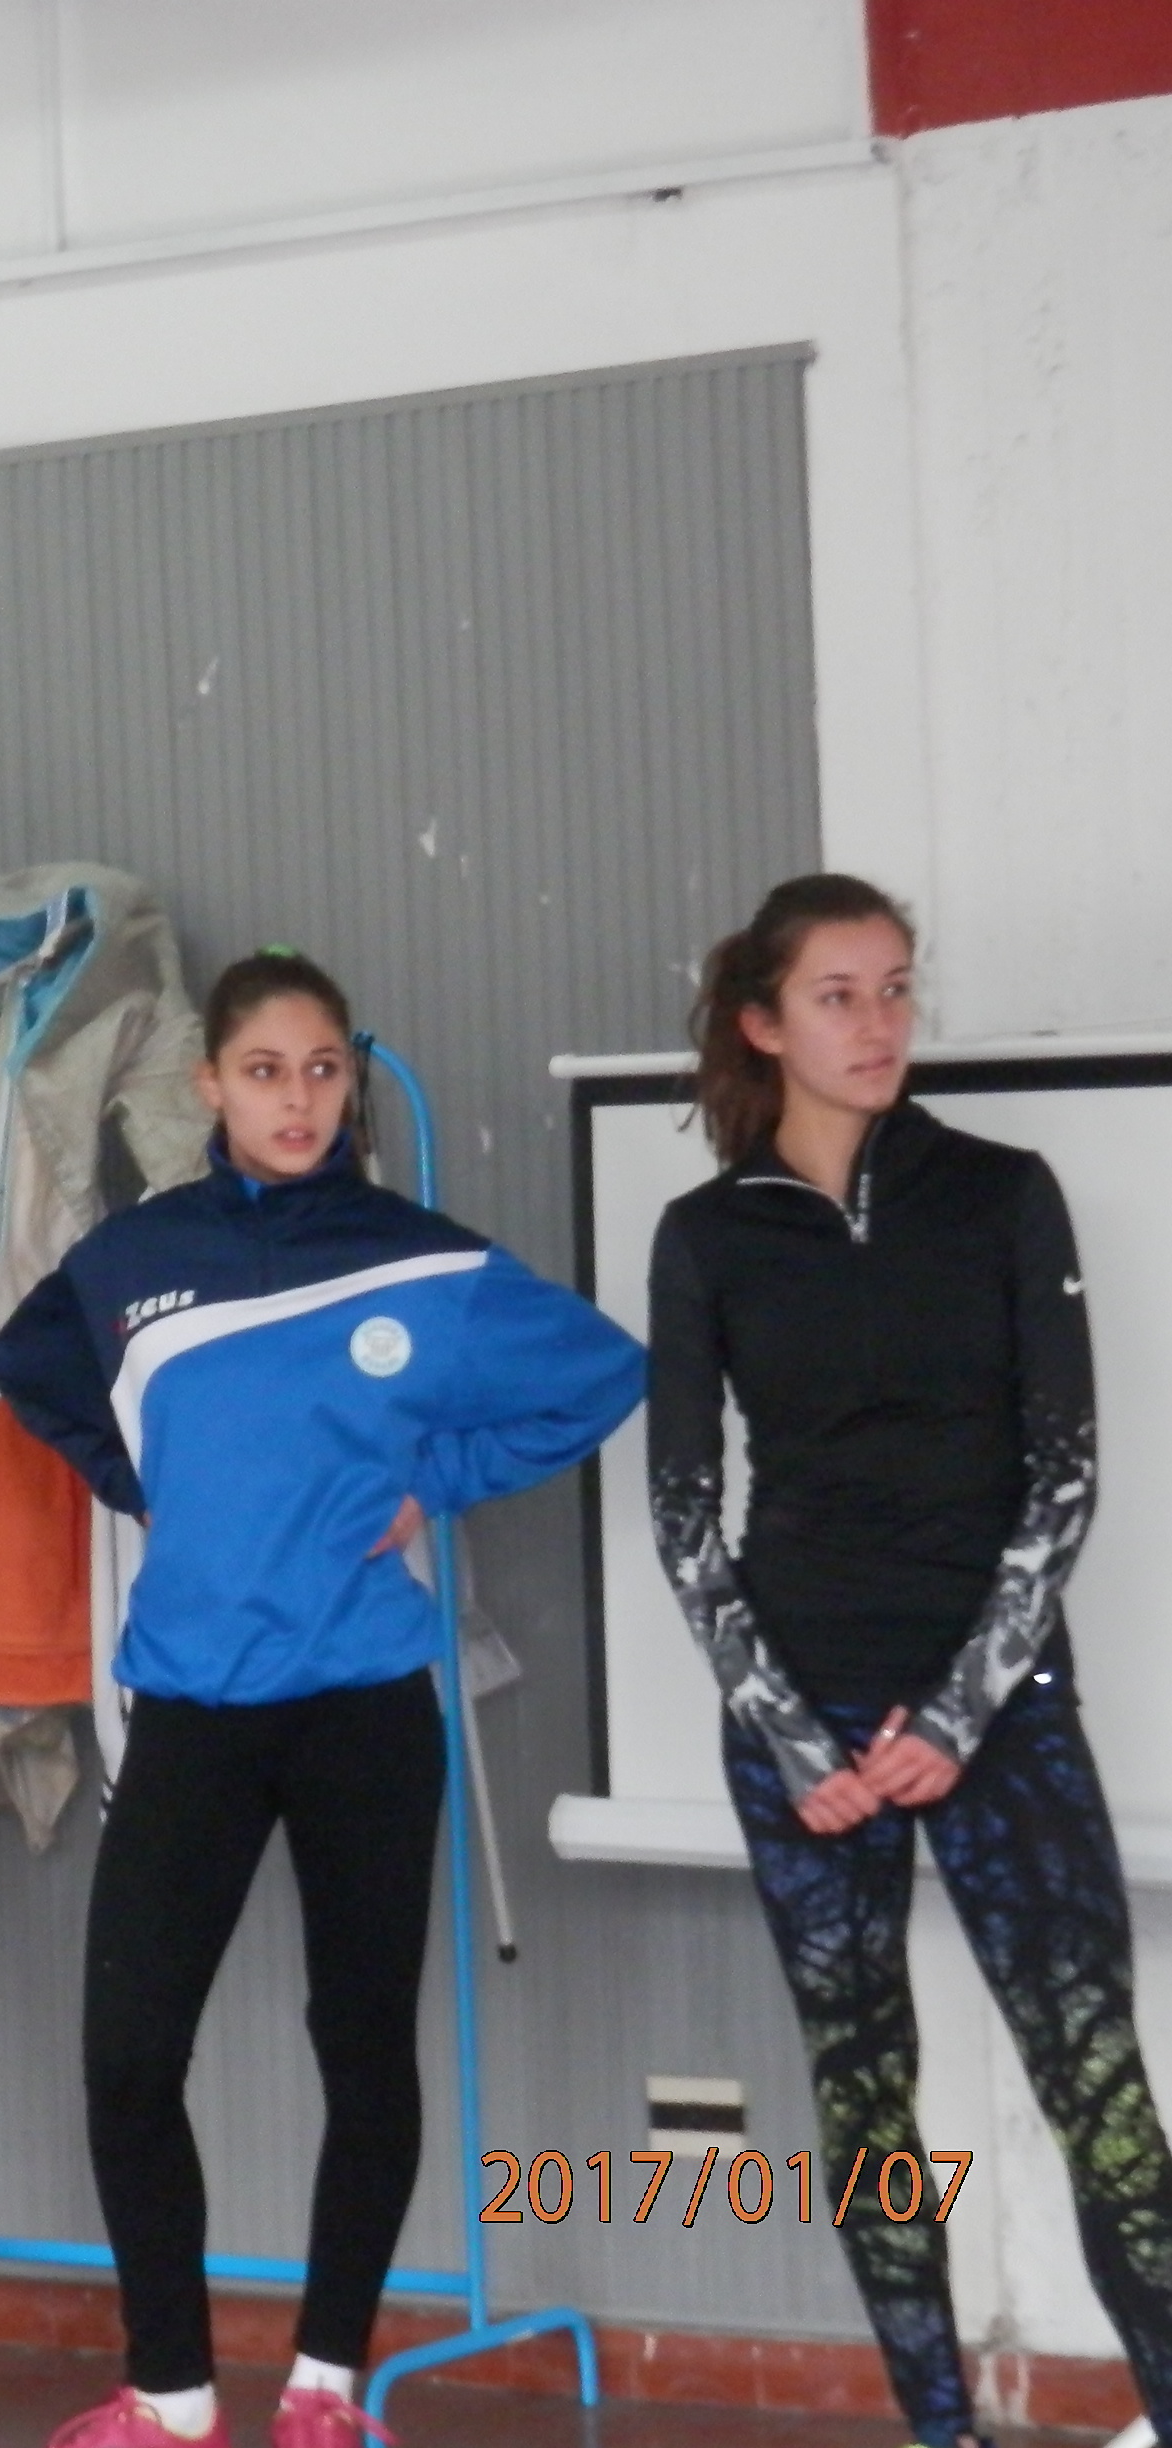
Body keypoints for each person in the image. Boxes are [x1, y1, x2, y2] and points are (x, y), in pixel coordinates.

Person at [0, 950, 640, 2448]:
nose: (299, 1100)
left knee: (363, 2048)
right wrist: (140, 1478)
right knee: (128, 2058)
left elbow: (603, 1373)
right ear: (210, 1086)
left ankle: (327, 2391)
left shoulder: (424, 1261)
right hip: (193, 1713)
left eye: (325, 1069)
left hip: (363, 1715)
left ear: (353, 1081)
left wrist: (440, 1479)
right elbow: (31, 1366)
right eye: (266, 1071)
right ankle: (170, 2396)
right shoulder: (136, 1259)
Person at [648, 875, 1172, 2448]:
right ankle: (942, 2434)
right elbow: (683, 1509)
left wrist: (956, 1712)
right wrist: (791, 1736)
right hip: (798, 1728)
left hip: (997, 1712)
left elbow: (1065, 1475)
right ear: (765, 1022)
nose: (880, 1023)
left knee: (1099, 2090)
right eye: (840, 995)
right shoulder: (707, 1235)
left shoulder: (1002, 1193)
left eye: (896, 989)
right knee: (866, 2095)